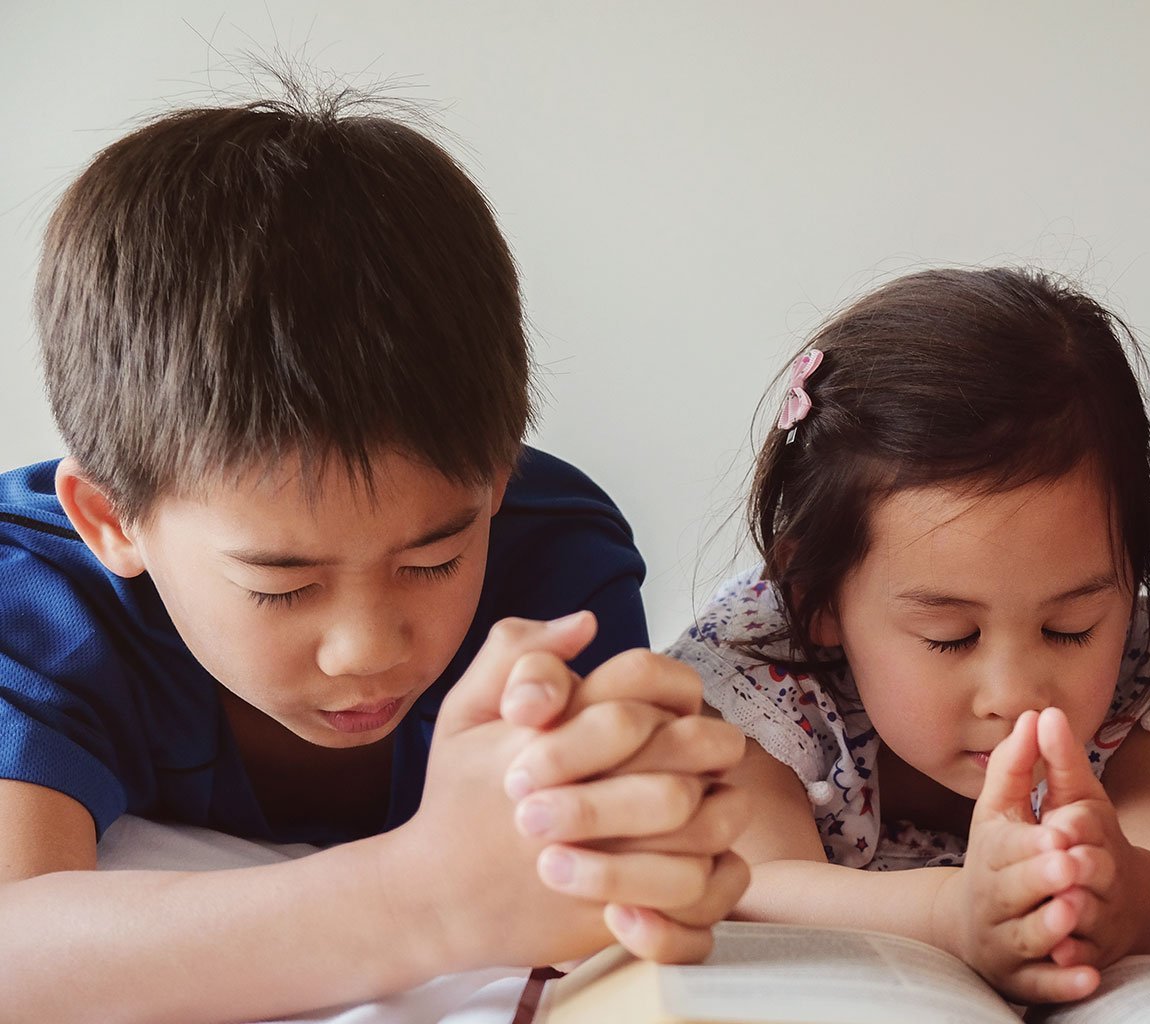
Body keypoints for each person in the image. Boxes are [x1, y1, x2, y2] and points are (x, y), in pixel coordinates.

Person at [0, 89, 749, 1020]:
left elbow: (609, 876)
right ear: (111, 520)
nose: (368, 647)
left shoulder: (550, 562)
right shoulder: (33, 599)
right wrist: (419, 899)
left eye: (433, 562)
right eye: (282, 581)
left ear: (498, 480)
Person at [668, 267, 1150, 1003]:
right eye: (950, 637)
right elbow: (751, 886)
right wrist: (955, 912)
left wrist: (1135, 892)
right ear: (819, 602)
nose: (1016, 694)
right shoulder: (760, 690)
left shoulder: (1138, 690)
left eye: (1069, 629)